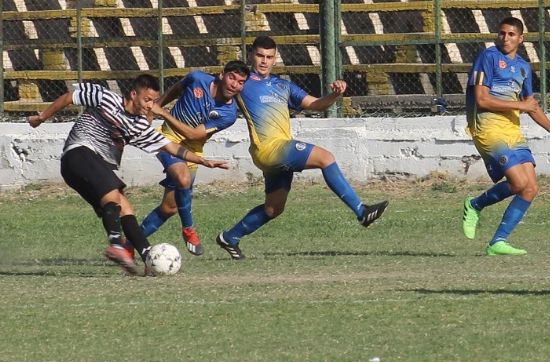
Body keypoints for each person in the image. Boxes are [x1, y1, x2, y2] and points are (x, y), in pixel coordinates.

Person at [27, 75, 229, 274]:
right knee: (113, 194)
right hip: (78, 153)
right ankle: (116, 244)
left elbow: (172, 147)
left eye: (153, 101)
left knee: (125, 207)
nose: (150, 106)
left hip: (92, 167)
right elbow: (70, 97)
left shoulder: (140, 126)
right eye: (147, 100)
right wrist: (41, 118)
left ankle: (147, 256)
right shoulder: (106, 98)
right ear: (134, 94)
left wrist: (203, 161)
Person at [215, 36, 388, 260]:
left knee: (273, 209)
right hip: (269, 149)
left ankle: (230, 237)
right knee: (326, 158)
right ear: (251, 56)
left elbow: (316, 105)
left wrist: (335, 94)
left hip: (278, 151)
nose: (264, 61)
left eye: (269, 57)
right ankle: (361, 211)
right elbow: (215, 87)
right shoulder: (243, 82)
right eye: (259, 56)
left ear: (275, 59)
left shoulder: (283, 85)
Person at [461, 17, 550, 255]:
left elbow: (530, 105)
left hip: (512, 130)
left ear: (521, 39)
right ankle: (474, 205)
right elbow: (482, 99)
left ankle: (497, 242)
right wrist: (521, 106)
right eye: (502, 33)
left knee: (530, 188)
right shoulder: (488, 58)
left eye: (511, 34)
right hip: (487, 128)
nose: (505, 38)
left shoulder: (523, 67)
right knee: (519, 182)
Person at [139, 60, 249, 256]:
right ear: (221, 74)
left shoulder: (228, 114)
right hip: (167, 137)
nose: (235, 85)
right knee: (183, 178)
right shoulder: (197, 78)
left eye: (241, 82)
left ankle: (129, 243)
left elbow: (193, 135)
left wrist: (162, 112)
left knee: (170, 207)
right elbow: (176, 89)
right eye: (232, 78)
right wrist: (155, 107)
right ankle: (189, 229)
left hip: (193, 147)